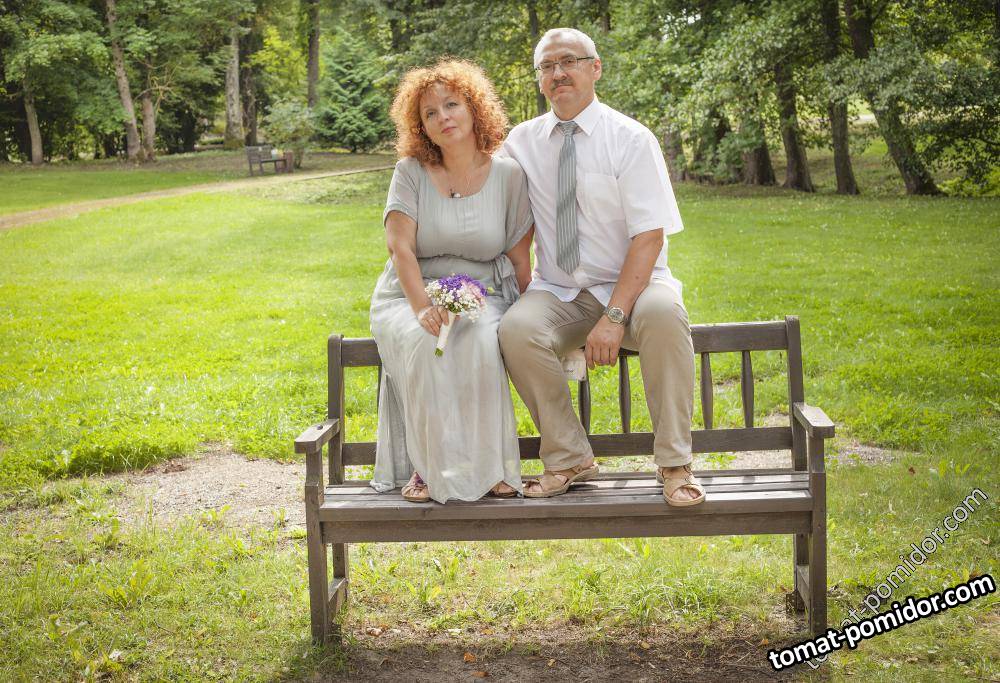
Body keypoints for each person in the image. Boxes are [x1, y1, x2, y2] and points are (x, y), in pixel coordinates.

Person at [498, 28, 705, 506]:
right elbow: (500, 205)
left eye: (569, 61)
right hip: (562, 291)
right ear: (539, 79)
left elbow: (649, 237)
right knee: (516, 328)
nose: (558, 73)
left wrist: (614, 317)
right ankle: (569, 456)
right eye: (547, 66)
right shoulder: (522, 142)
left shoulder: (630, 139)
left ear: (596, 68)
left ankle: (675, 463)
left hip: (636, 286)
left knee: (665, 314)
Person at [369, 59, 534, 504]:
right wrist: (423, 307)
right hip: (410, 292)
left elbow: (520, 257)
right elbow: (400, 248)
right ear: (421, 127)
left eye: (452, 105)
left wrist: (530, 309)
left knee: (480, 342)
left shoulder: (509, 176)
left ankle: (492, 469)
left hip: (485, 291)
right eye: (430, 113)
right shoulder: (410, 173)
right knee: (428, 345)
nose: (443, 117)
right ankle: (427, 467)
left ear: (474, 108)